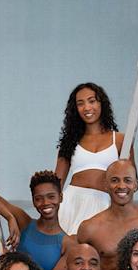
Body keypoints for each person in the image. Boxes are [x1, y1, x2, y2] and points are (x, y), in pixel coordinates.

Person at [54, 82, 131, 235]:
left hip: (105, 205)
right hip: (71, 204)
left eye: (92, 101)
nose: (87, 107)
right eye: (80, 103)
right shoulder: (70, 141)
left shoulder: (121, 139)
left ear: (101, 103)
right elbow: (56, 183)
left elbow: (131, 180)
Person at [0, 170, 67, 270]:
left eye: (51, 196)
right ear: (33, 201)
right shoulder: (25, 222)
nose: (45, 203)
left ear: (61, 197)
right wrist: (10, 218)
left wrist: (8, 259)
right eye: (38, 199)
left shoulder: (67, 243)